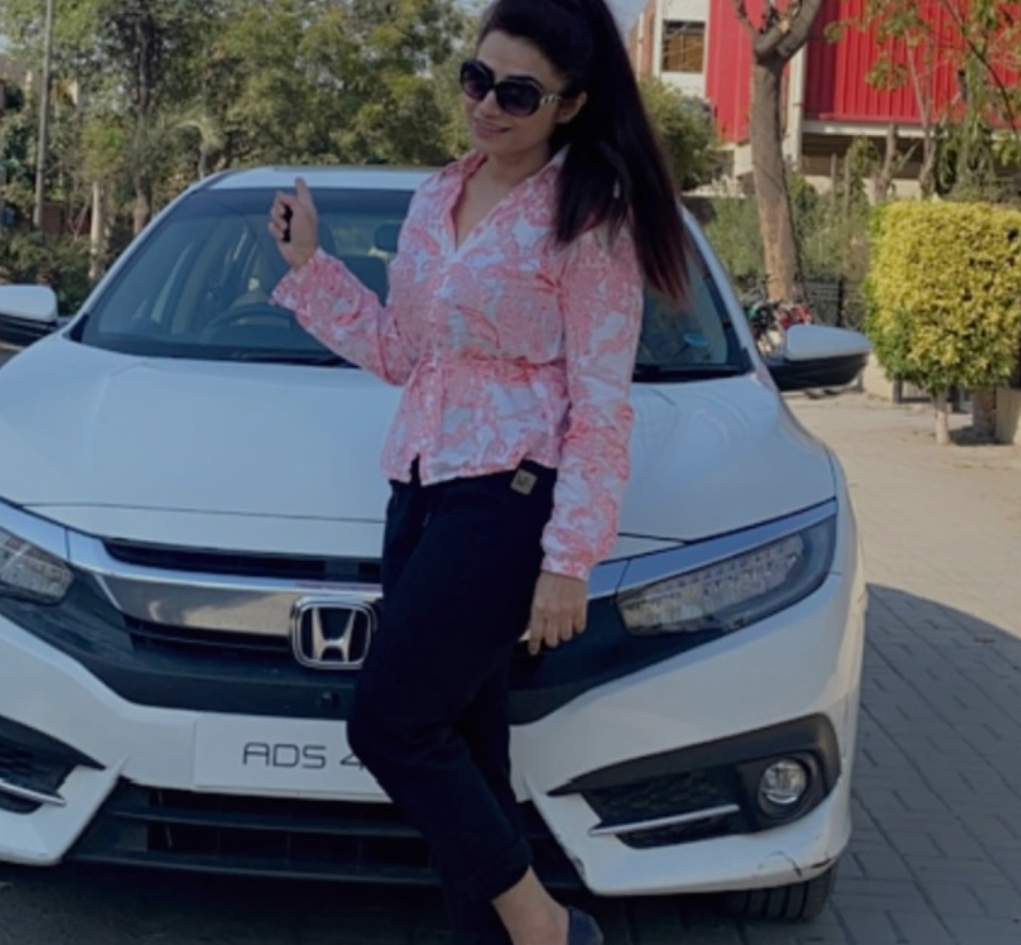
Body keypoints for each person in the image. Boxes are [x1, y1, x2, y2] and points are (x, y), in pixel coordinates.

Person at [265, 1, 692, 942]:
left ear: (569, 104)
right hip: (418, 488)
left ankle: (544, 925)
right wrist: (311, 265)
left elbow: (602, 403)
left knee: (390, 723)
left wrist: (569, 558)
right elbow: (402, 352)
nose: (488, 105)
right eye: (477, 78)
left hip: (511, 495)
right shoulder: (435, 199)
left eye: (518, 93)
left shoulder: (589, 219)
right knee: (466, 743)